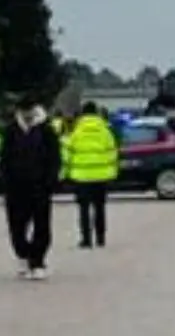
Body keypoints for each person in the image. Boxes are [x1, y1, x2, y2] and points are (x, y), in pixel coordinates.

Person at [0, 99, 63, 280]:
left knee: (42, 226)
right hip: (16, 188)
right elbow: (4, 158)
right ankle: (23, 254)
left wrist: (51, 181)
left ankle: (38, 261)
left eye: (30, 111)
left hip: (40, 186)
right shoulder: (11, 131)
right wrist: (5, 180)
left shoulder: (46, 130)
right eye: (24, 111)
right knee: (17, 226)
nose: (27, 115)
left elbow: (54, 157)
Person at [62, 101, 119, 248]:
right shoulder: (105, 132)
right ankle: (100, 238)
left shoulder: (76, 132)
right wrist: (112, 172)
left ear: (82, 114)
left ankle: (86, 239)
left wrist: (64, 173)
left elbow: (67, 154)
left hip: (81, 176)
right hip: (101, 176)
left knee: (83, 209)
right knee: (100, 208)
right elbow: (113, 153)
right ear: (97, 113)